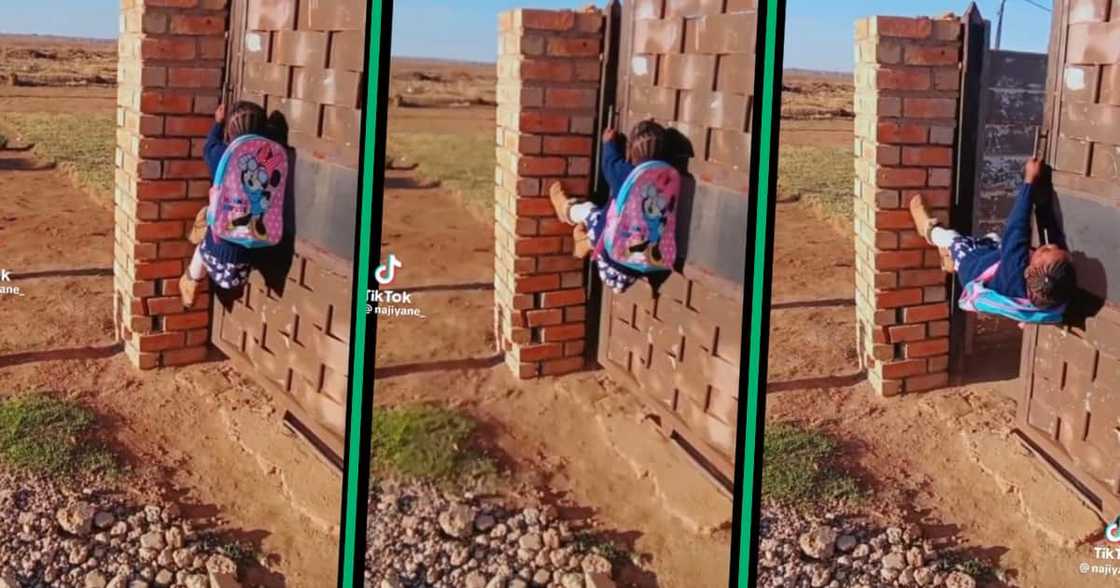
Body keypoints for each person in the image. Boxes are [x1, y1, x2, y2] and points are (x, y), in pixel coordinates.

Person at [909, 158, 1076, 315]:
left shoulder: (1014, 268)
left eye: (1045, 250)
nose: (1051, 245)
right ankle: (948, 260)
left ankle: (928, 230)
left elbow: (1017, 227)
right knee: (992, 238)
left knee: (953, 239)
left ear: (1027, 271)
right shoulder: (1047, 295)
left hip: (971, 268)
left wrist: (1029, 181)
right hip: (994, 262)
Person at [548, 119, 676, 293]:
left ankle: (567, 211)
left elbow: (610, 164)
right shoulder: (667, 182)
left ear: (632, 153)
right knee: (611, 213)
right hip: (638, 268)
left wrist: (608, 143)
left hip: (610, 260)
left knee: (591, 212)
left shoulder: (627, 173)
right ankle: (585, 241)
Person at [179, 101, 269, 307]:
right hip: (249, 255)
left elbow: (209, 147)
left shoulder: (222, 155)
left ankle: (191, 280)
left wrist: (217, 124)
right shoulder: (268, 162)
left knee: (205, 240)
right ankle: (201, 227)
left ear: (230, 131)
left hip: (218, 253)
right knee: (216, 218)